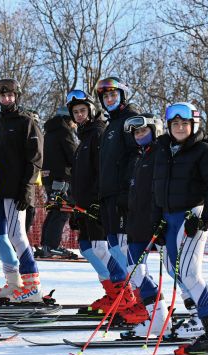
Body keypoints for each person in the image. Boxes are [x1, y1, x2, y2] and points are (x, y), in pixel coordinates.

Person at [150, 102, 208, 352]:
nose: (180, 128)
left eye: (184, 124)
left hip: (192, 216)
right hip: (169, 217)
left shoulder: (205, 151)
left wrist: (204, 218)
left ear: (194, 125)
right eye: (175, 124)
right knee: (175, 270)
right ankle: (204, 318)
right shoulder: (163, 150)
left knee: (190, 273)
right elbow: (156, 187)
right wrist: (158, 220)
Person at [0, 78, 44, 303]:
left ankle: (32, 284)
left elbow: (36, 158)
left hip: (16, 190)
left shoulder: (25, 122)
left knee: (17, 235)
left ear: (17, 96)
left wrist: (26, 188)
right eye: (2, 96)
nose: (6, 99)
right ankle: (14, 283)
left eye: (10, 95)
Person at [66, 89, 121, 314]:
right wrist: (75, 206)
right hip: (84, 204)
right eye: (76, 112)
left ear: (91, 110)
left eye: (83, 110)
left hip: (97, 204)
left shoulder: (98, 133)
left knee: (99, 248)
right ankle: (112, 291)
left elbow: (103, 171)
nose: (79, 115)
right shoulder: (84, 137)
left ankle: (123, 293)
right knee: (86, 248)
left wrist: (99, 201)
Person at [119, 114, 172, 335]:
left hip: (157, 223)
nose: (140, 136)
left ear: (155, 130)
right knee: (134, 270)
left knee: (176, 270)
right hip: (138, 224)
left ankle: (202, 316)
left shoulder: (162, 153)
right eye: (136, 133)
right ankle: (157, 318)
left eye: (144, 131)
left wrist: (160, 218)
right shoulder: (142, 156)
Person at [95, 77, 140, 312]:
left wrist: (129, 190)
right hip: (109, 195)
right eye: (105, 97)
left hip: (123, 195)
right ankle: (129, 299)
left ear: (123, 96)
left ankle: (144, 299)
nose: (109, 100)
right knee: (113, 247)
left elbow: (137, 156)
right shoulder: (111, 125)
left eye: (113, 95)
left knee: (123, 249)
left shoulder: (130, 121)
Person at [36, 106, 78, 259]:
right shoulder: (64, 131)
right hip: (62, 177)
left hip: (48, 177)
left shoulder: (49, 132)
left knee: (55, 209)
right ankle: (52, 246)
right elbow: (72, 154)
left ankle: (46, 244)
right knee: (63, 211)